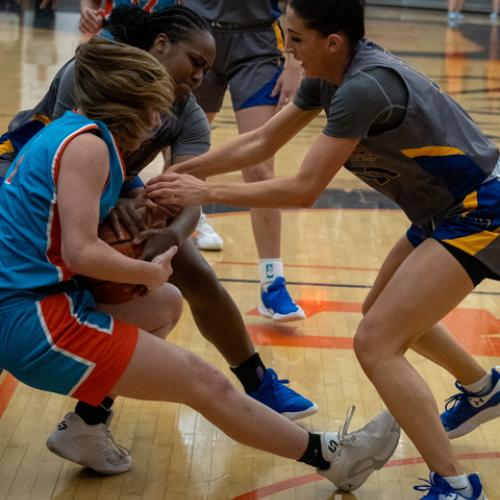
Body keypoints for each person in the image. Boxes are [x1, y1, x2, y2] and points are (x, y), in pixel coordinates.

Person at [0, 35, 401, 491]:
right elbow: (80, 252)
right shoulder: (89, 147)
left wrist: (149, 264)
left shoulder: (72, 131)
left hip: (30, 303)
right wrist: (145, 271)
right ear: (128, 103)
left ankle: (87, 426)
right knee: (202, 381)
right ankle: (332, 456)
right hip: (34, 317)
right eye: (153, 107)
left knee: (166, 304)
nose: (158, 120)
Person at [145, 0, 500, 498]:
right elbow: (262, 141)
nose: (287, 49)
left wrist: (205, 194)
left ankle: (458, 485)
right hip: (443, 211)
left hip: (481, 211)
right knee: (380, 312)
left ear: (332, 42)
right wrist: (182, 172)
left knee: (376, 343)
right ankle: (484, 389)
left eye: (294, 38)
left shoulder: (363, 88)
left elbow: (304, 189)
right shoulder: (329, 76)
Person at [180, 0, 306, 321]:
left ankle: (272, 282)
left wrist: (293, 61)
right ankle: (171, 256)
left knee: (260, 166)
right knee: (187, 155)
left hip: (257, 44)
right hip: (196, 33)